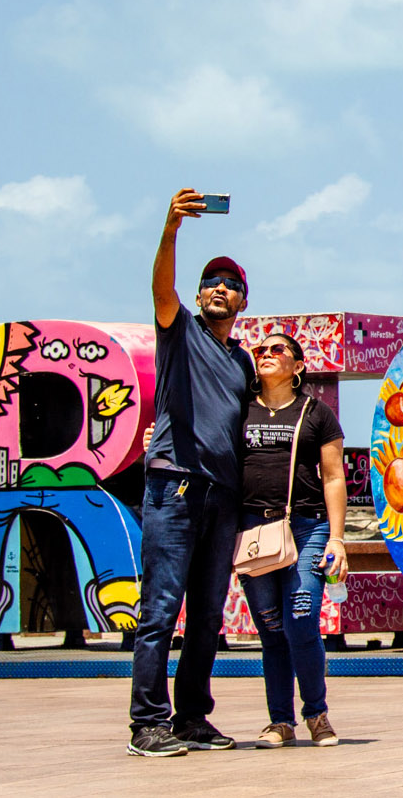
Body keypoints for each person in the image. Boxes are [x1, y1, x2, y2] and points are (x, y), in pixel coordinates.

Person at [129, 189, 255, 758]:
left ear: (243, 302)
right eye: (210, 282)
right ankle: (146, 724)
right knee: (159, 608)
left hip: (222, 497)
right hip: (174, 484)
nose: (218, 289)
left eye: (229, 284)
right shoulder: (178, 330)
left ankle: (191, 718)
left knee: (207, 616)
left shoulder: (242, 360)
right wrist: (171, 229)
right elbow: (161, 287)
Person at [238, 332, 347, 748]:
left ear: (298, 366)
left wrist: (337, 539)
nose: (266, 355)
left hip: (307, 527)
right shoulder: (240, 411)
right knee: (271, 630)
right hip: (252, 532)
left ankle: (317, 715)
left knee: (301, 621)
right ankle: (280, 722)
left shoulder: (317, 413)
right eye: (260, 351)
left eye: (276, 350)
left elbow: (334, 476)